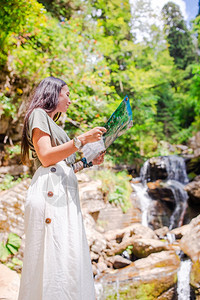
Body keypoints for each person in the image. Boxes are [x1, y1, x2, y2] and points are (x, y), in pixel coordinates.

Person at [18, 76, 106, 300]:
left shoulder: (54, 124)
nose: (69, 100)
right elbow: (46, 158)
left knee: (66, 256)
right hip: (49, 192)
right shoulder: (38, 115)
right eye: (67, 94)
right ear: (53, 93)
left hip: (61, 193)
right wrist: (81, 140)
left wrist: (87, 162)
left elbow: (63, 165)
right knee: (53, 257)